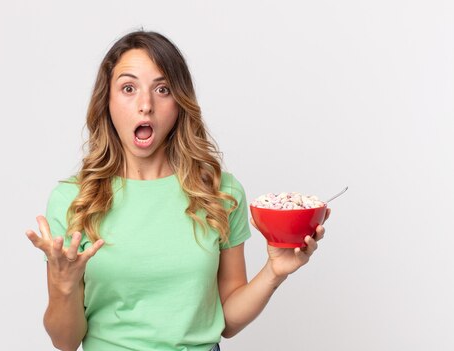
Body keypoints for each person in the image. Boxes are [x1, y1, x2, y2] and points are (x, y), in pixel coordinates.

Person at [25, 30, 331, 351]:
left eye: (163, 89)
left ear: (179, 102)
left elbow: (227, 320)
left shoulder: (220, 192)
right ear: (107, 101)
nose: (146, 105)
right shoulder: (73, 199)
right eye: (128, 88)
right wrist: (63, 285)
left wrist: (274, 272)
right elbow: (65, 340)